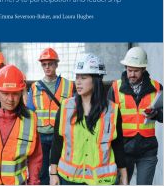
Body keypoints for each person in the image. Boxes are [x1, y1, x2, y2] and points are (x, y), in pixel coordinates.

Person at [50, 53, 128, 185]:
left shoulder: (112, 110)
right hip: (70, 179)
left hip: (102, 180)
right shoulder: (65, 107)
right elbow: (57, 141)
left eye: (83, 77)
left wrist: (124, 175)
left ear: (96, 80)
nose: (78, 82)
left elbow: (118, 145)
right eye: (77, 77)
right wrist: (53, 173)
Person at [108, 46, 163, 185]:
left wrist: (156, 114)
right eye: (129, 70)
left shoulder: (157, 88)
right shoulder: (115, 88)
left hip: (147, 150)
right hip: (123, 149)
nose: (131, 74)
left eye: (136, 71)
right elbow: (107, 119)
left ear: (144, 69)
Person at [27, 48, 74, 185]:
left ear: (56, 64)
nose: (47, 67)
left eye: (50, 64)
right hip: (40, 135)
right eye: (44, 64)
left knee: (60, 170)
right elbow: (30, 112)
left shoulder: (69, 85)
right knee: (42, 172)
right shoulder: (35, 87)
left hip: (59, 135)